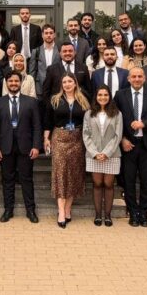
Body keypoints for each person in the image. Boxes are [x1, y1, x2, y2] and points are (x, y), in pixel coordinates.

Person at [114, 67, 147, 227]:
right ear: (128, 79)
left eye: (139, 76)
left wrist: (144, 124)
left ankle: (143, 213)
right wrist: (122, 139)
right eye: (134, 76)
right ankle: (133, 212)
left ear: (144, 78)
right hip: (128, 145)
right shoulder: (120, 95)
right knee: (128, 181)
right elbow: (114, 119)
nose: (137, 79)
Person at [0, 72, 42, 223]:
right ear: (6, 83)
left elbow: (37, 126)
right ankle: (8, 210)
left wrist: (36, 146)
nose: (13, 83)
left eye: (16, 81)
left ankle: (30, 210)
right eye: (10, 81)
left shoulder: (31, 102)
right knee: (7, 179)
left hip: (26, 147)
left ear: (20, 83)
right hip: (5, 147)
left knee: (27, 179)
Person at [43, 74, 89, 228]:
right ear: (61, 85)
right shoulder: (54, 100)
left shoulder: (83, 100)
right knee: (61, 173)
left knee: (74, 174)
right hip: (59, 138)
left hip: (77, 139)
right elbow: (48, 121)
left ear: (75, 83)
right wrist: (46, 138)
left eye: (70, 81)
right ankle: (61, 211)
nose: (67, 84)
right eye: (64, 82)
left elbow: (88, 121)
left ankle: (68, 208)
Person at [83, 86, 123, 227]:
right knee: (97, 184)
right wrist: (95, 153)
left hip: (111, 154)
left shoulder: (117, 114)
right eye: (100, 95)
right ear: (96, 97)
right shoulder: (88, 114)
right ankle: (98, 215)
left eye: (106, 95)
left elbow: (118, 135)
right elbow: (86, 135)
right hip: (94, 154)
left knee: (109, 184)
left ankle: (108, 215)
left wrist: (106, 153)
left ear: (109, 97)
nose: (103, 97)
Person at [42, 42, 91, 106]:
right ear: (60, 53)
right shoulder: (51, 69)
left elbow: (89, 90)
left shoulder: (83, 68)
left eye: (70, 51)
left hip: (79, 107)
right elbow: (46, 92)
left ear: (75, 52)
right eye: (64, 51)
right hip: (58, 107)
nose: (67, 53)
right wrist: (50, 107)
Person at [28, 24, 59, 100]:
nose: (49, 35)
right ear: (42, 35)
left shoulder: (60, 50)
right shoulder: (36, 51)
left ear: (54, 35)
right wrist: (32, 89)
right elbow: (32, 72)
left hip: (57, 88)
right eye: (46, 33)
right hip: (39, 89)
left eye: (51, 33)